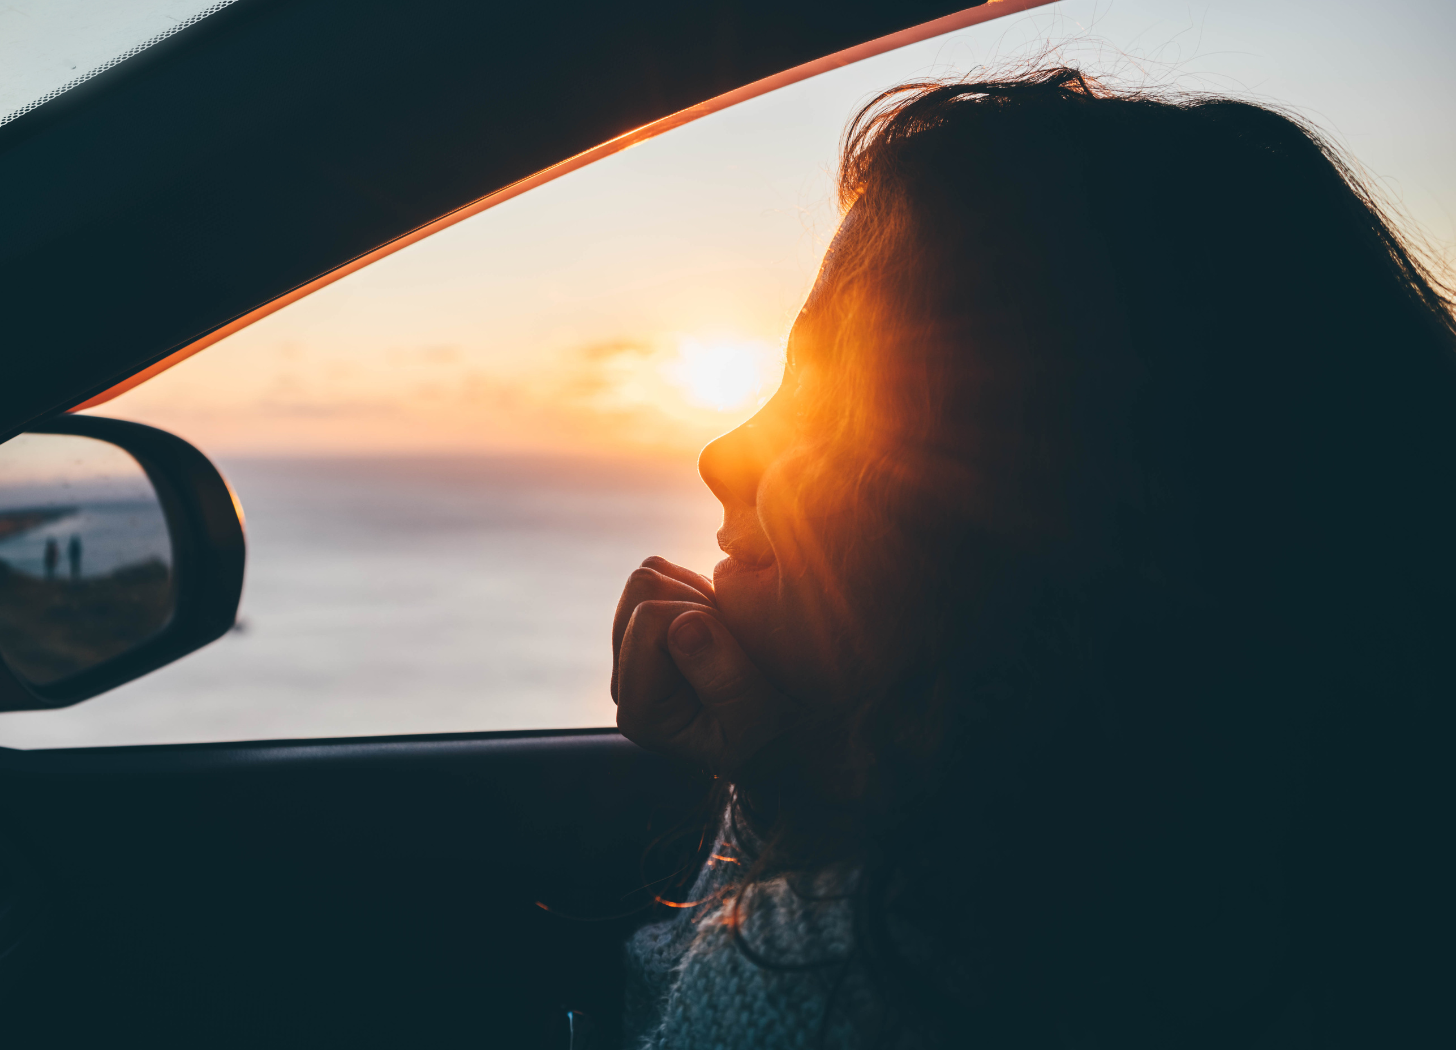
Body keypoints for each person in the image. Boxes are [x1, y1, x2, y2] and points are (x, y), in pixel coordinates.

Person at [611, 68, 1453, 1049]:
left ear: (1057, 490)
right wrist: (782, 777)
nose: (723, 456)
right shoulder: (1332, 883)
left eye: (832, 388)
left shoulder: (853, 979)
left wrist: (767, 866)